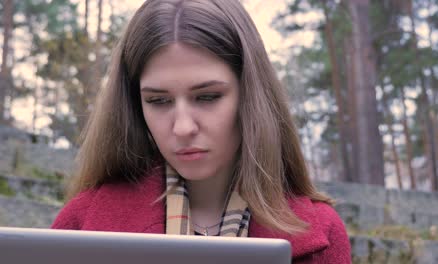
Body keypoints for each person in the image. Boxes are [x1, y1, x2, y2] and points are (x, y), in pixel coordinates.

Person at [51, 0, 352, 263]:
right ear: (134, 105)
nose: (183, 127)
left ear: (250, 96)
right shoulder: (81, 222)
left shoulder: (321, 234)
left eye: (207, 97)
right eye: (158, 101)